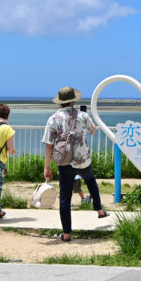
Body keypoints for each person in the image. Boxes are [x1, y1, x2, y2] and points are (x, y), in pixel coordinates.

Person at [42, 86, 108, 241]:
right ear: (73, 101)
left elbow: (49, 144)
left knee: (65, 197)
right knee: (91, 181)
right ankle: (99, 210)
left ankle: (66, 234)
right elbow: (93, 131)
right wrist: (89, 119)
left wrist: (47, 166)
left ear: (60, 102)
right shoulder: (83, 116)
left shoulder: (53, 119)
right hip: (83, 160)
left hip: (64, 162)